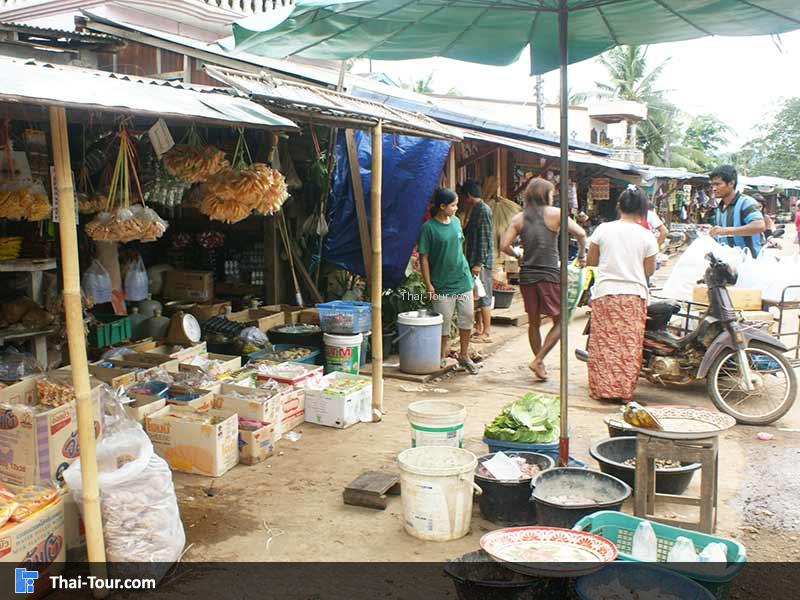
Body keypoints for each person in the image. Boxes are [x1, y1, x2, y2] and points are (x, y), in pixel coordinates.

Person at [500, 178, 587, 381]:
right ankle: (538, 360)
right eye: (551, 193)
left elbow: (504, 245)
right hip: (548, 274)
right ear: (545, 195)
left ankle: (539, 363)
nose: (553, 196)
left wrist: (518, 255)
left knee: (533, 322)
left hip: (527, 276)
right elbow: (581, 233)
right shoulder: (555, 214)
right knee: (562, 321)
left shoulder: (519, 218)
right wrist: (582, 255)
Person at [586, 185, 658, 403]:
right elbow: (649, 270)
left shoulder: (603, 230)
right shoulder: (647, 236)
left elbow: (591, 261)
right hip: (633, 295)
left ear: (619, 206)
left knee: (603, 343)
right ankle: (624, 391)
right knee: (628, 345)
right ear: (642, 209)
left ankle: (601, 389)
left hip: (605, 292)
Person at [418, 188, 479, 375]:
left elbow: (459, 248)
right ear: (442, 206)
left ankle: (464, 355)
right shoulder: (428, 228)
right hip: (441, 284)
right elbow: (424, 258)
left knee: (467, 317)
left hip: (462, 279)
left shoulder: (456, 222)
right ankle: (441, 354)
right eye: (453, 205)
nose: (456, 208)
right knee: (442, 323)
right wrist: (429, 284)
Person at [462, 179, 494, 343]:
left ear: (468, 196)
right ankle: (479, 328)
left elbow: (484, 239)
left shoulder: (483, 210)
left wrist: (478, 264)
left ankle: (487, 332)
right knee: (477, 295)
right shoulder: (476, 209)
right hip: (474, 259)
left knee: (484, 295)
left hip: (481, 261)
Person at [709, 165, 765, 256]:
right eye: (712, 185)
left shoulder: (746, 202)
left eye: (718, 184)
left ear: (731, 183)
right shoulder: (720, 207)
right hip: (730, 261)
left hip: (749, 261)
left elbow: (759, 226)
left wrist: (726, 231)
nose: (714, 189)